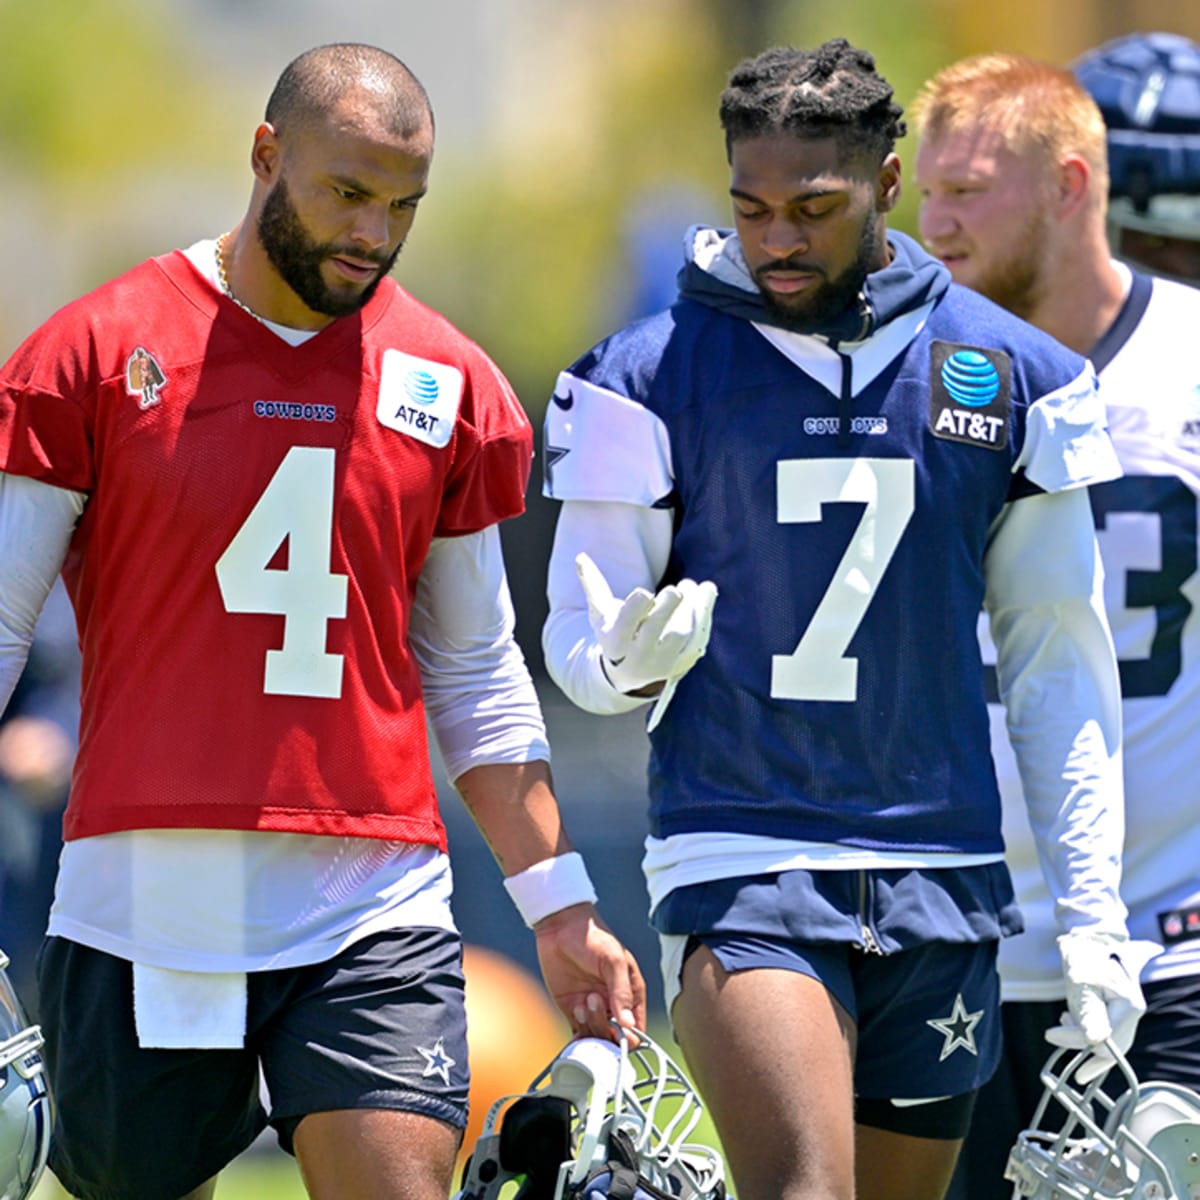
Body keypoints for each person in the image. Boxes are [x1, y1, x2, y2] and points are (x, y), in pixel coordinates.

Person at [0, 42, 646, 1200]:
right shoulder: (96, 351)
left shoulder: (446, 379)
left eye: (403, 205)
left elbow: (475, 671)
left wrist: (560, 908)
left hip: (372, 890)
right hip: (151, 885)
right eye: (347, 191)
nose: (374, 231)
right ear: (265, 155)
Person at [540, 36, 1147, 1200]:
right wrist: (619, 660)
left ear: (888, 181)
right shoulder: (650, 369)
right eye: (752, 207)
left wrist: (1091, 911)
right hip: (745, 852)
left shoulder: (1014, 371)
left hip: (944, 868)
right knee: (807, 1188)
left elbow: (1055, 659)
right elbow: (583, 639)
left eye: (812, 208)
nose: (777, 238)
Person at [910, 36, 1200, 1200]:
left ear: (1071, 186)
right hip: (949, 945)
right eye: (925, 195)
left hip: (1170, 935)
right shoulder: (897, 371)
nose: (936, 229)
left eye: (968, 193)